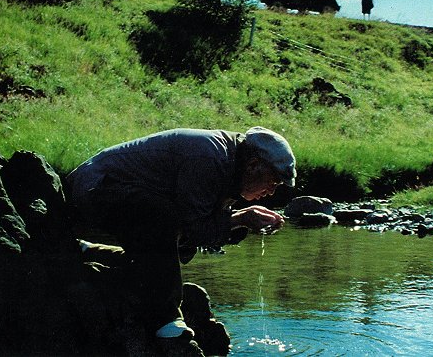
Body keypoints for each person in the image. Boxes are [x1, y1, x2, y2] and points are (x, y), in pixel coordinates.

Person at [66, 126, 296, 341]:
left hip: (119, 191)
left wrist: (239, 219)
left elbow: (201, 230)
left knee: (178, 246)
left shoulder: (231, 164)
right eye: (273, 181)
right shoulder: (208, 159)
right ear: (254, 165)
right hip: (96, 188)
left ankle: (94, 252)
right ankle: (165, 318)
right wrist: (242, 219)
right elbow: (197, 229)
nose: (271, 192)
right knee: (164, 218)